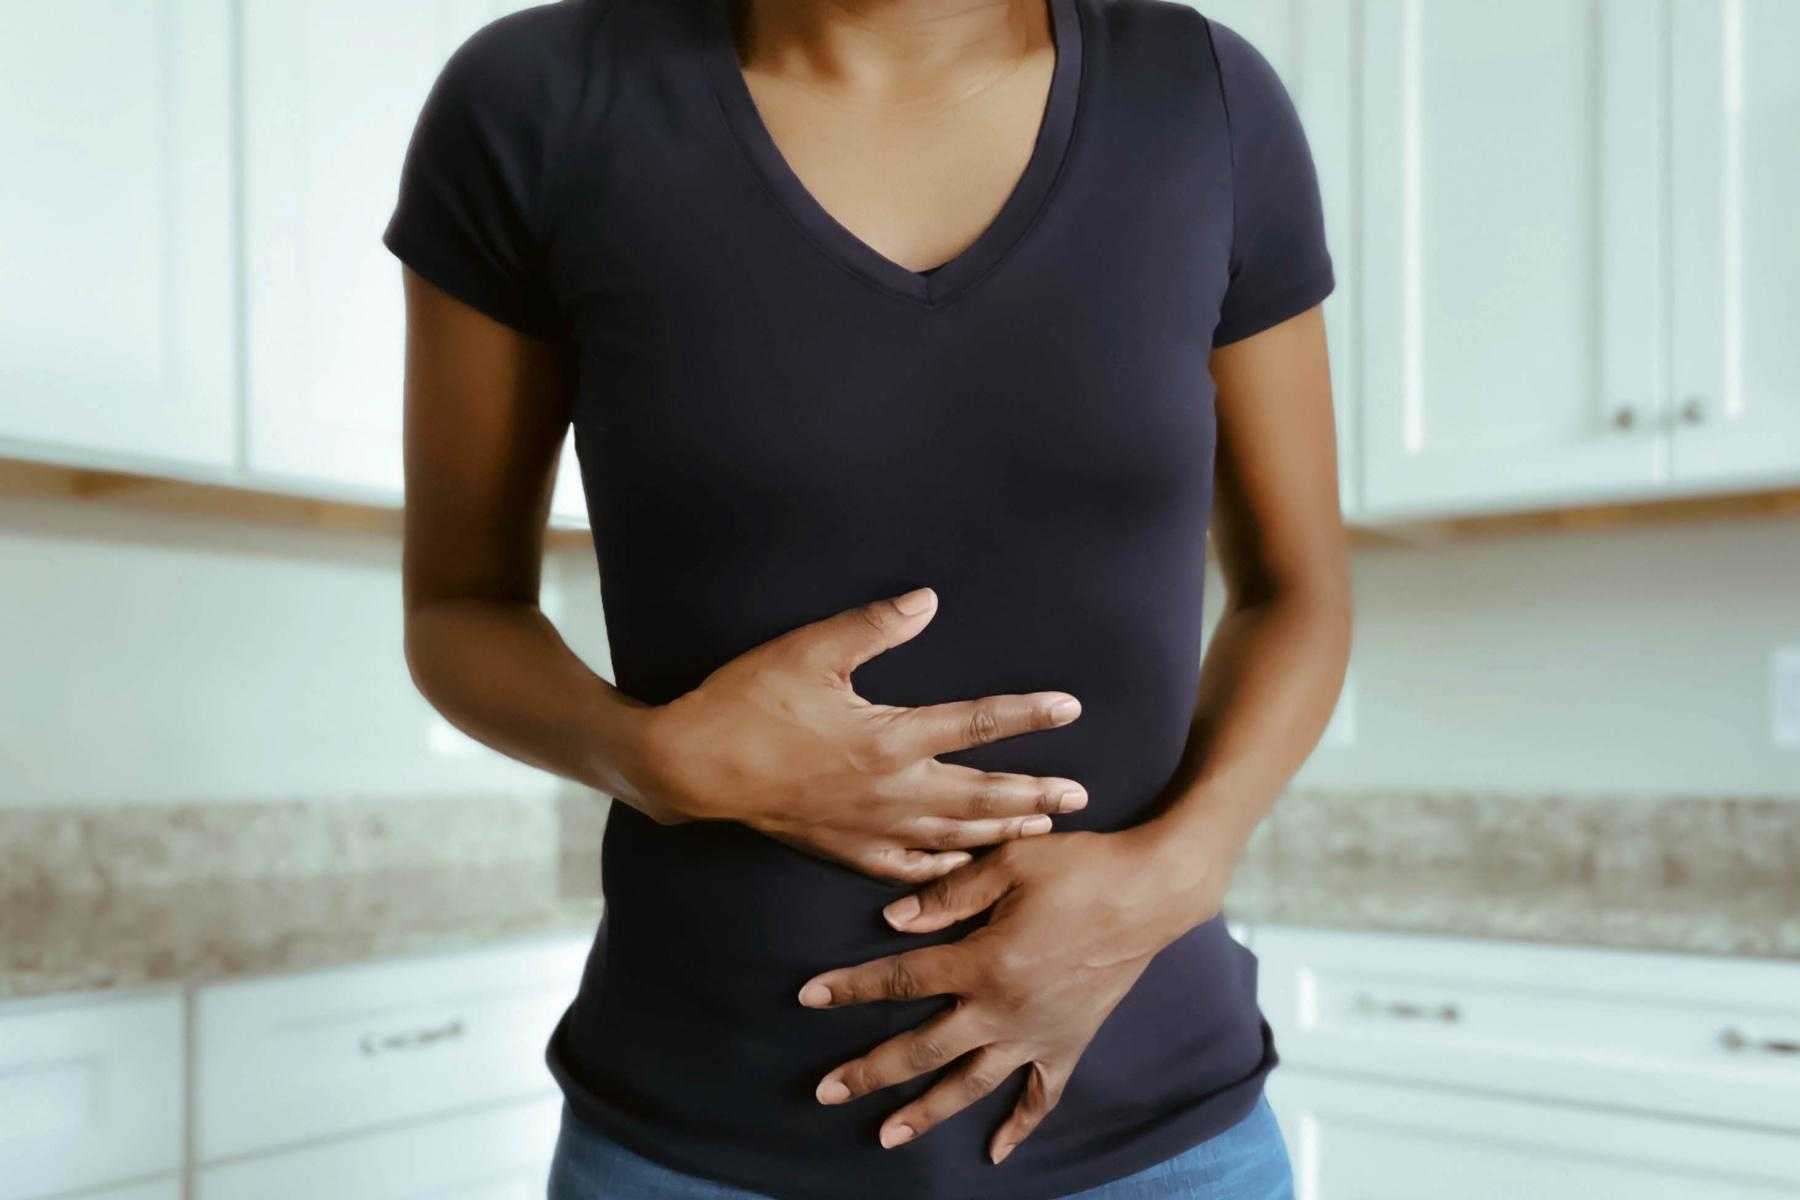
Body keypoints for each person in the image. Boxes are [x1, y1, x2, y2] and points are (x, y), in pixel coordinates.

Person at [383, 0, 1350, 1195]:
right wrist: (656, 759)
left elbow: (1299, 592)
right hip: (696, 1139)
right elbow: (459, 609)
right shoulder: (539, 100)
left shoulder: (1204, 99)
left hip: (1162, 1141)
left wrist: (1178, 872)